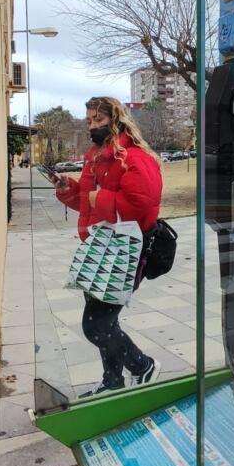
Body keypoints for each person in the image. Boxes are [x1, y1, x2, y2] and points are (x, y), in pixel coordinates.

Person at [51, 96, 163, 397]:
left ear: (116, 120)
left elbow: (143, 203)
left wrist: (97, 199)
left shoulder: (134, 157)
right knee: (105, 321)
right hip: (100, 249)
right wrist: (69, 190)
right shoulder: (95, 157)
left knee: (96, 325)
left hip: (126, 251)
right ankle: (112, 381)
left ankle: (143, 366)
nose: (92, 126)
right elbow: (90, 208)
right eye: (89, 121)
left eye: (98, 120)